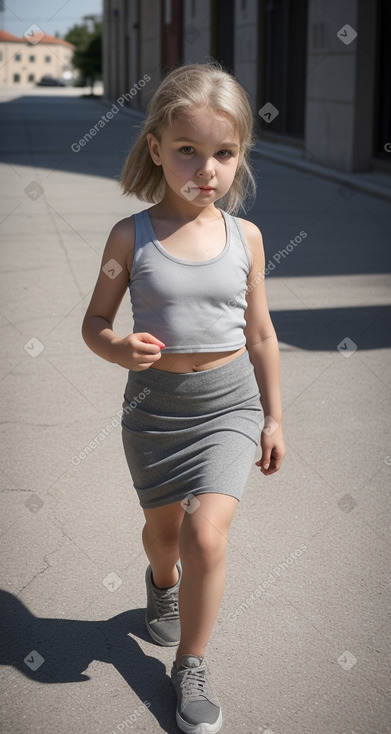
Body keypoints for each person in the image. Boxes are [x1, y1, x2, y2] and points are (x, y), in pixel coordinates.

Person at [82, 62, 286, 734]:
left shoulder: (246, 239)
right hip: (153, 412)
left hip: (228, 406)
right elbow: (93, 323)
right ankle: (160, 583)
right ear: (156, 150)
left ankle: (190, 665)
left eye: (223, 153)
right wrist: (116, 349)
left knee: (205, 537)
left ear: (240, 157)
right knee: (164, 536)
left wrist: (273, 417)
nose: (206, 169)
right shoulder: (128, 237)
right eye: (187, 151)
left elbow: (259, 332)